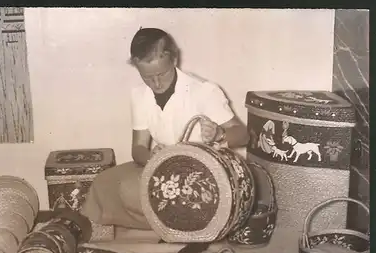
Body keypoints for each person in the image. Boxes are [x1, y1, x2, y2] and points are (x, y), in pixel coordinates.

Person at [80, 27, 250, 236]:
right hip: (164, 168)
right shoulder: (140, 95)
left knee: (139, 193)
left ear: (174, 60)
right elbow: (138, 148)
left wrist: (219, 135)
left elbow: (243, 135)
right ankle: (183, 223)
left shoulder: (204, 91)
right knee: (104, 183)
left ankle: (188, 224)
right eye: (147, 77)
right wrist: (152, 157)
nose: (156, 83)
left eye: (162, 74)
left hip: (205, 172)